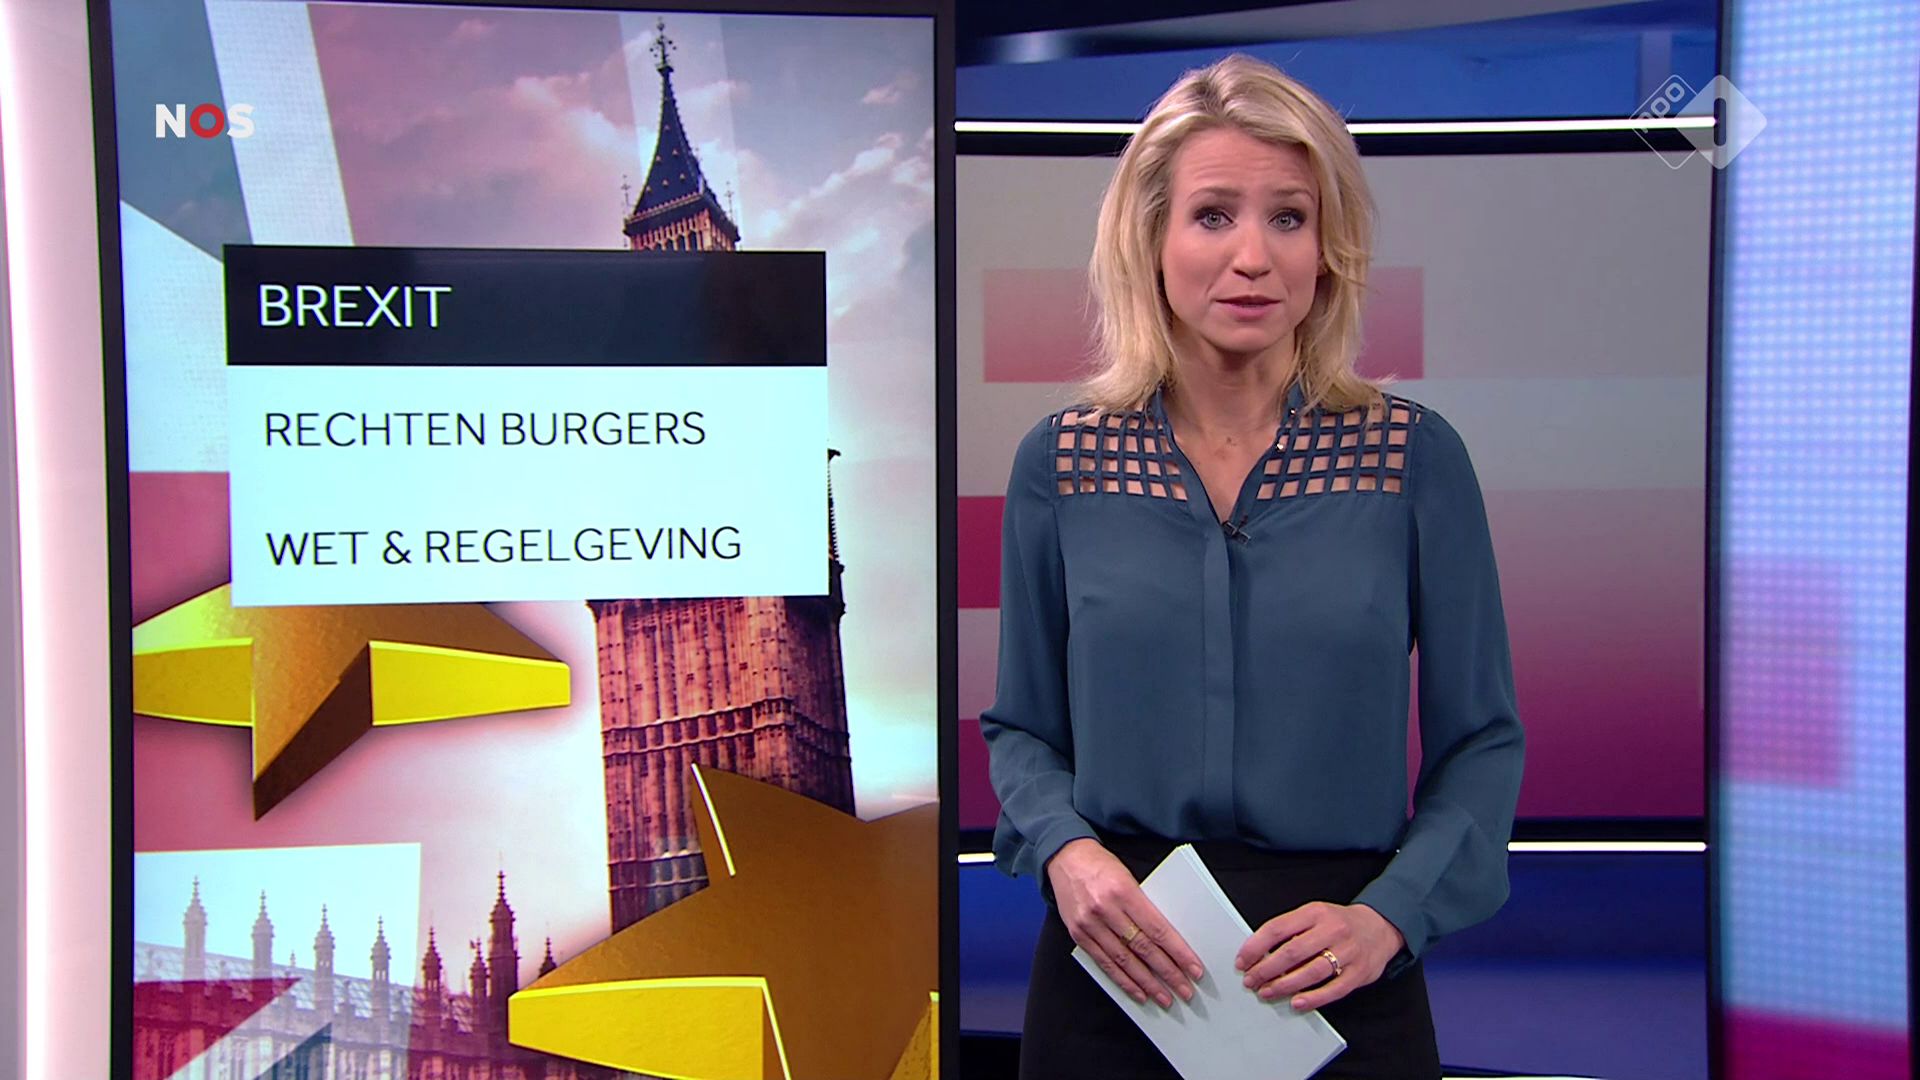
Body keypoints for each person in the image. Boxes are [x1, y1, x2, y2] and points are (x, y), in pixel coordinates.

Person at [980, 53, 1526, 1080]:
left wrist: (1389, 917)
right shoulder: (1063, 463)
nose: (1253, 258)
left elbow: (1482, 742)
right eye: (1213, 215)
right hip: (1120, 963)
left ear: (1328, 249)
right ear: (1151, 239)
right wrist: (1067, 852)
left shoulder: (1412, 460)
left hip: (1342, 969)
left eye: (1288, 218)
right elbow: (1023, 728)